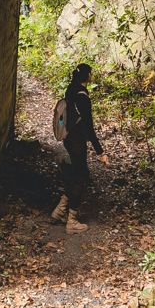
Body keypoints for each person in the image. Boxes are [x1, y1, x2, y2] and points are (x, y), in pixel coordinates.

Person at [50, 62, 104, 231]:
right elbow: (89, 126)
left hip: (69, 137)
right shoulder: (83, 97)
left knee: (76, 174)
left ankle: (60, 211)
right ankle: (72, 221)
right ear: (87, 77)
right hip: (77, 141)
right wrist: (100, 151)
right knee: (81, 178)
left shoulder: (71, 89)